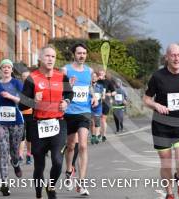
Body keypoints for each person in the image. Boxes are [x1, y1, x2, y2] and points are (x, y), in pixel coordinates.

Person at [144, 44, 179, 199]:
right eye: (173, 55)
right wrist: (156, 105)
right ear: (167, 57)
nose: (176, 58)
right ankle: (170, 194)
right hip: (161, 125)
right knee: (166, 163)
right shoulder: (157, 77)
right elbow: (146, 99)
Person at [19, 45, 73, 199]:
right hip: (38, 125)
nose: (50, 59)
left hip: (58, 123)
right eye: (47, 56)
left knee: (57, 161)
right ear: (40, 59)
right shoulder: (32, 78)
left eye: (53, 57)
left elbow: (69, 92)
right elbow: (21, 104)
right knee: (39, 166)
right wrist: (32, 101)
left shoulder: (61, 76)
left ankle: (50, 187)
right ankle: (38, 193)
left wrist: (67, 102)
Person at [62, 43, 97, 196]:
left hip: (84, 112)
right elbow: (58, 89)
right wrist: (67, 86)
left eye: (84, 53)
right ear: (73, 54)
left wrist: (94, 95)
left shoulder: (89, 71)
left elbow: (89, 87)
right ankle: (69, 171)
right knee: (70, 146)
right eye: (79, 53)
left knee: (83, 146)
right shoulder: (65, 70)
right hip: (69, 113)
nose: (81, 55)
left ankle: (81, 183)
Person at [0, 59, 24, 196]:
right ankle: (4, 183)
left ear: (12, 70)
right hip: (0, 121)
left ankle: (15, 163)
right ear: (1, 69)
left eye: (9, 67)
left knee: (14, 151)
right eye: (4, 67)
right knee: (3, 150)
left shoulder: (17, 83)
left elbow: (23, 100)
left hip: (16, 121)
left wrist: (10, 96)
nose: (6, 69)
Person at [18, 69, 34, 165]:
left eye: (27, 77)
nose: (25, 78)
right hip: (20, 115)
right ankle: (20, 155)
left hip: (31, 114)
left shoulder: (33, 87)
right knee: (21, 136)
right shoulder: (19, 88)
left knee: (29, 137)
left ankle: (29, 154)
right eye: (23, 77)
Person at [98, 69, 116, 142]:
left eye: (102, 73)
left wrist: (110, 94)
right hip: (97, 102)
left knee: (103, 119)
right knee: (97, 118)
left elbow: (114, 92)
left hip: (106, 102)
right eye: (99, 73)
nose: (101, 75)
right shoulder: (96, 81)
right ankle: (98, 134)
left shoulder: (108, 82)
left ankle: (104, 135)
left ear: (104, 74)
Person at [91, 72, 105, 144]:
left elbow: (103, 95)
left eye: (95, 76)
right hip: (90, 106)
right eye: (92, 76)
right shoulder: (88, 86)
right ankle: (93, 136)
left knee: (97, 120)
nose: (93, 78)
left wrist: (103, 96)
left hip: (98, 106)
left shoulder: (100, 86)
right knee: (92, 122)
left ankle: (96, 136)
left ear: (97, 78)